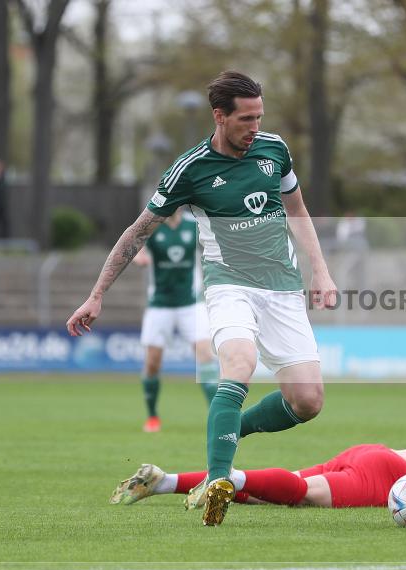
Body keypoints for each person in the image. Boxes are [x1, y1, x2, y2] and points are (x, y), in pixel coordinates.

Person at [66, 71, 337, 527]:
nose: (255, 127)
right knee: (238, 363)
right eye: (245, 119)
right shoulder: (190, 168)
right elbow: (137, 233)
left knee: (308, 400)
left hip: (282, 288)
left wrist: (321, 270)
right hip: (229, 284)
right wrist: (96, 295)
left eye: (259, 117)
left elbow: (297, 209)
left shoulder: (275, 150)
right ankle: (217, 482)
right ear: (219, 116)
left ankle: (228, 432)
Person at [110, 418, 406, 510]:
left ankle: (164, 480)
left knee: (280, 488)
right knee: (301, 495)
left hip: (372, 452)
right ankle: (228, 480)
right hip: (387, 478)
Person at [131, 207, 219, 433]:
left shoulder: (194, 224)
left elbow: (215, 243)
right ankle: (152, 416)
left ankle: (216, 415)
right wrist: (140, 256)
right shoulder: (152, 225)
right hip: (160, 304)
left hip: (191, 303)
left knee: (205, 353)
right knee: (152, 362)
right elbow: (136, 248)